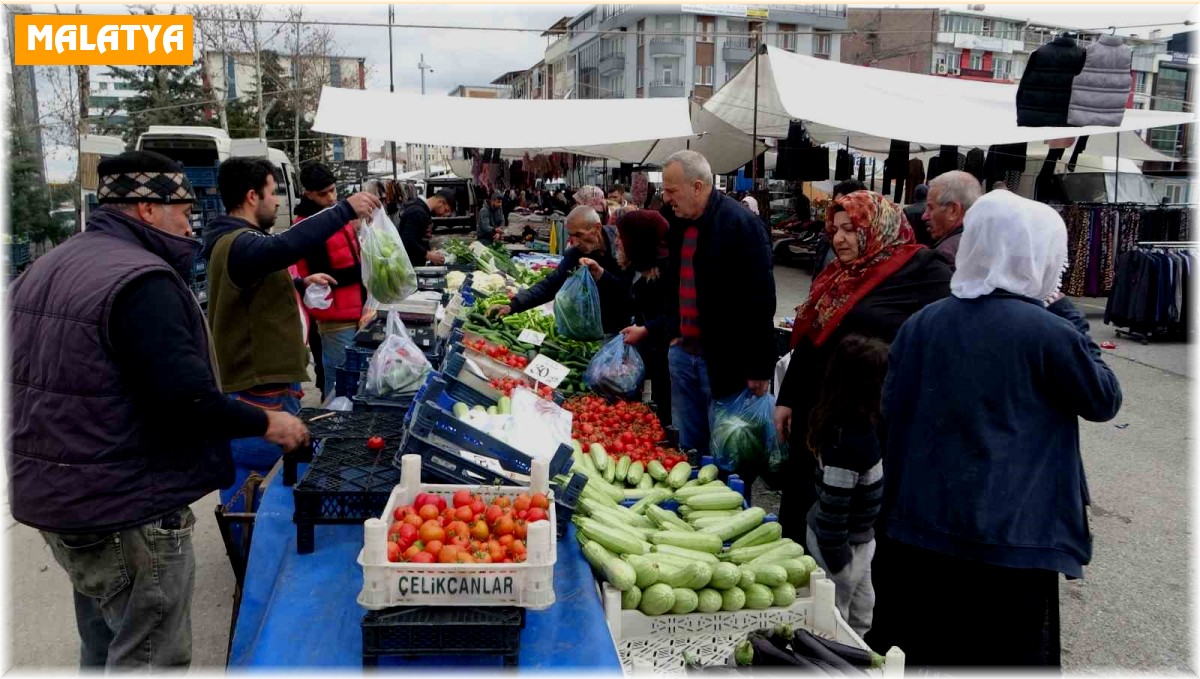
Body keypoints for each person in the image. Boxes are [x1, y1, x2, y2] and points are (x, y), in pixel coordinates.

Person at [7, 151, 310, 670]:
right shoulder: (142, 280)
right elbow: (185, 399)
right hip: (125, 507)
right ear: (147, 209)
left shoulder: (49, 265)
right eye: (182, 207)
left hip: (59, 499)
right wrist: (270, 422)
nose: (190, 220)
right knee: (150, 657)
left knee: (104, 649)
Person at [869, 189, 1122, 667]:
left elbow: (891, 409)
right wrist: (1067, 313)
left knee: (927, 652)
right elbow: (1103, 399)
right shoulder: (1049, 330)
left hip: (922, 528)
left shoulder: (923, 323)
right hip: (1011, 538)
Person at [775, 190, 952, 542]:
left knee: (850, 518)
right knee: (806, 504)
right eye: (836, 229)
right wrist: (788, 398)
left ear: (878, 228)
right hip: (817, 409)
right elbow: (811, 338)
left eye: (851, 229)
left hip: (868, 417)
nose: (839, 238)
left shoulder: (923, 271)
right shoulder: (836, 275)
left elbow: (936, 344)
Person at [203, 157, 381, 505]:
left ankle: (253, 540)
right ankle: (252, 549)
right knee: (259, 487)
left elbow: (254, 290)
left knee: (266, 483)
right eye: (272, 192)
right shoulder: (238, 242)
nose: (278, 200)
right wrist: (344, 209)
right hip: (258, 394)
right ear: (252, 196)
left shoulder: (241, 241)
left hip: (270, 387)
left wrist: (299, 284)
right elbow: (283, 248)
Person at [660, 150, 776, 458]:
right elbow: (672, 284)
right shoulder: (677, 223)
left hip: (726, 361)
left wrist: (760, 365)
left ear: (697, 187)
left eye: (672, 190)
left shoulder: (741, 224)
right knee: (690, 448)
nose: (666, 197)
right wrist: (673, 332)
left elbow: (761, 298)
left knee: (729, 452)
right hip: (684, 354)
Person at [804, 333, 890, 637]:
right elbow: (832, 514)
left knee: (862, 611)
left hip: (860, 542)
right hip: (840, 548)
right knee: (834, 620)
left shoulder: (860, 427)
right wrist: (841, 568)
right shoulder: (848, 446)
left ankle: (858, 656)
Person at [293, 163, 369, 402]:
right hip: (332, 316)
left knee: (353, 376)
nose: (331, 197)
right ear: (308, 194)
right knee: (338, 379)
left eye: (333, 190)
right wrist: (364, 272)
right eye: (323, 193)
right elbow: (321, 274)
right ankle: (333, 427)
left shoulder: (339, 215)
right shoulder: (306, 225)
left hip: (356, 309)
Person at [490, 205, 628, 333]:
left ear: (597, 228)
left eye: (579, 234)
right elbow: (552, 284)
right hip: (598, 328)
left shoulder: (624, 243)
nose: (574, 242)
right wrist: (512, 306)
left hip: (631, 328)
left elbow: (632, 291)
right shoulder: (576, 255)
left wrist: (602, 276)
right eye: (571, 235)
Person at [591, 209, 674, 424]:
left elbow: (675, 314)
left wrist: (646, 330)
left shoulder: (667, 271)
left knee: (666, 406)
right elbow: (627, 294)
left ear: (638, 241)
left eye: (621, 236)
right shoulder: (635, 265)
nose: (617, 240)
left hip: (668, 354)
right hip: (651, 350)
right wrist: (602, 275)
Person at [923, 170, 982, 268]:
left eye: (931, 208)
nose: (925, 216)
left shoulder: (944, 255)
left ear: (953, 210)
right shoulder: (984, 241)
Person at [811, 180, 867, 279]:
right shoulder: (826, 240)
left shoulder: (881, 263)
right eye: (838, 205)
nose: (838, 239)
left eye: (849, 229)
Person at [398, 188, 456, 266]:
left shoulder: (423, 211)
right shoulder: (417, 212)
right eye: (446, 210)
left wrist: (429, 251)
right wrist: (428, 254)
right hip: (409, 265)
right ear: (440, 202)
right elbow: (408, 240)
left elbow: (419, 238)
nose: (444, 215)